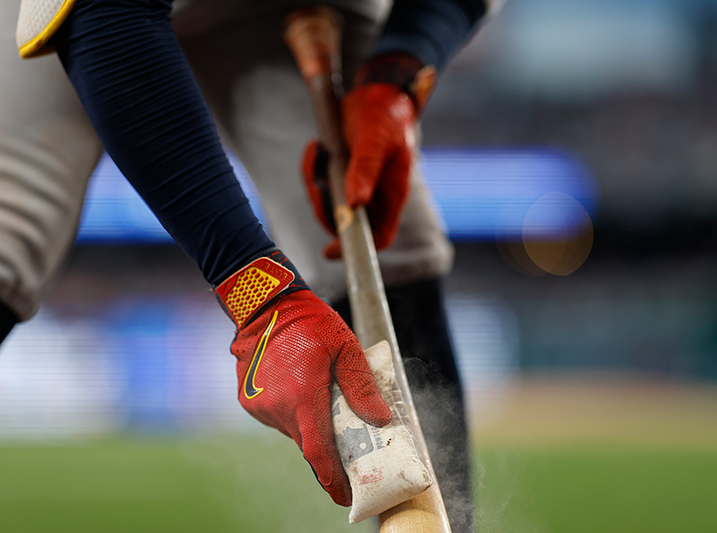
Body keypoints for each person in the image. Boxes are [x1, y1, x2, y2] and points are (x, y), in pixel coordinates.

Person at [6, 0, 497, 530]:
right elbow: (103, 18)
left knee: (392, 243)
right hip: (80, 14)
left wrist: (397, 72)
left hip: (288, 9)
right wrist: (262, 297)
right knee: (12, 229)